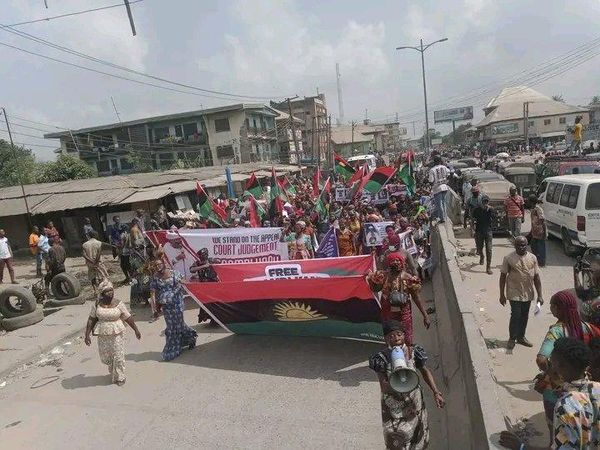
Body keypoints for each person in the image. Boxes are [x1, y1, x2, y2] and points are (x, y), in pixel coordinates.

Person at [500, 337, 600, 450]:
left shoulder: (566, 406)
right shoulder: (597, 388)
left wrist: (521, 447)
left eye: (551, 363)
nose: (547, 369)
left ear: (560, 367)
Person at [369, 320, 445, 449]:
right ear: (385, 338)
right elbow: (383, 385)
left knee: (418, 438)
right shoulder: (380, 358)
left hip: (414, 405)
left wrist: (436, 392)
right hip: (393, 409)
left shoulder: (414, 352)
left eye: (399, 334)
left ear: (404, 335)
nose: (396, 338)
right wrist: (395, 379)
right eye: (391, 336)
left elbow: (425, 372)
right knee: (396, 439)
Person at [535, 290, 599, 439]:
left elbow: (541, 360)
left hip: (557, 387)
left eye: (552, 305)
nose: (550, 308)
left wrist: (552, 373)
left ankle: (553, 441)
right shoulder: (588, 327)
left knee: (556, 427)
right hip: (584, 379)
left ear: (558, 309)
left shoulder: (556, 331)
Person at [84, 279, 141, 386]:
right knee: (107, 356)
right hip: (103, 334)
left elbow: (128, 317)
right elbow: (91, 319)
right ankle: (113, 369)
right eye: (107, 291)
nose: (111, 293)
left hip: (117, 333)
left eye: (112, 290)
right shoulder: (97, 304)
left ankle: (120, 377)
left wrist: (136, 330)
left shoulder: (118, 303)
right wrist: (87, 335)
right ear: (102, 293)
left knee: (118, 355)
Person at [367, 252, 431, 346]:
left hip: (404, 315)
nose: (396, 263)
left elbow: (416, 298)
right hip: (388, 314)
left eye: (398, 261)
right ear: (389, 263)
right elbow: (375, 289)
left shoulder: (409, 279)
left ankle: (408, 355)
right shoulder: (382, 276)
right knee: (391, 338)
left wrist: (425, 316)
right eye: (393, 261)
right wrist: (371, 280)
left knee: (407, 338)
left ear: (402, 263)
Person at [499, 236, 543, 350]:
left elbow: (537, 278)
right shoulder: (509, 258)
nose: (521, 247)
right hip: (514, 291)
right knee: (516, 315)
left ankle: (521, 337)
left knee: (524, 315)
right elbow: (503, 276)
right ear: (515, 245)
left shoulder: (532, 258)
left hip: (528, 292)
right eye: (519, 245)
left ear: (527, 245)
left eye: (523, 245)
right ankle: (512, 338)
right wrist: (501, 294)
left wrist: (540, 295)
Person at [149, 258, 198, 361]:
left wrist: (193, 286)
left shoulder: (174, 273)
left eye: (159, 264)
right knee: (171, 327)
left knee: (179, 325)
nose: (158, 267)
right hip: (166, 306)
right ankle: (172, 350)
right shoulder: (155, 278)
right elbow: (153, 293)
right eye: (156, 266)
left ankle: (190, 339)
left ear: (164, 264)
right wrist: (154, 308)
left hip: (177, 303)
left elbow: (183, 282)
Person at [472, 195, 495, 275]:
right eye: (484, 202)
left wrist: (490, 210)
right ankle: (482, 256)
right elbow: (473, 219)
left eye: (486, 202)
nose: (485, 203)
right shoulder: (477, 210)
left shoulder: (491, 209)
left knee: (489, 249)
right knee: (479, 248)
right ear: (481, 202)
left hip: (488, 231)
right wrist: (472, 229)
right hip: (479, 231)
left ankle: (488, 267)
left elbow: (494, 218)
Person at [82, 230, 107, 295]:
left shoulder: (84, 244)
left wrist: (91, 261)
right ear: (95, 235)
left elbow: (84, 254)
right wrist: (95, 261)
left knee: (92, 277)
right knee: (101, 276)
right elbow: (99, 253)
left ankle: (95, 290)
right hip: (98, 262)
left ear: (89, 236)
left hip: (90, 264)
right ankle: (102, 290)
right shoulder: (99, 243)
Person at [428, 155, 450, 223]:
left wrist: (431, 185)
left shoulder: (432, 170)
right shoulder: (444, 167)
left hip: (437, 188)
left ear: (434, 162)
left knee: (439, 204)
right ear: (440, 161)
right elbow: (450, 173)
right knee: (443, 203)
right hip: (444, 187)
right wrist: (446, 181)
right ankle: (445, 217)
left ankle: (442, 218)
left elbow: (431, 181)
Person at [528, 195, 547, 267]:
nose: (528, 203)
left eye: (529, 201)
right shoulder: (533, 209)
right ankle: (536, 261)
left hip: (540, 232)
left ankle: (542, 263)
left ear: (532, 202)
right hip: (534, 232)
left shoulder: (538, 209)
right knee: (533, 247)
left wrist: (545, 233)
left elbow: (543, 222)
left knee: (541, 248)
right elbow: (533, 222)